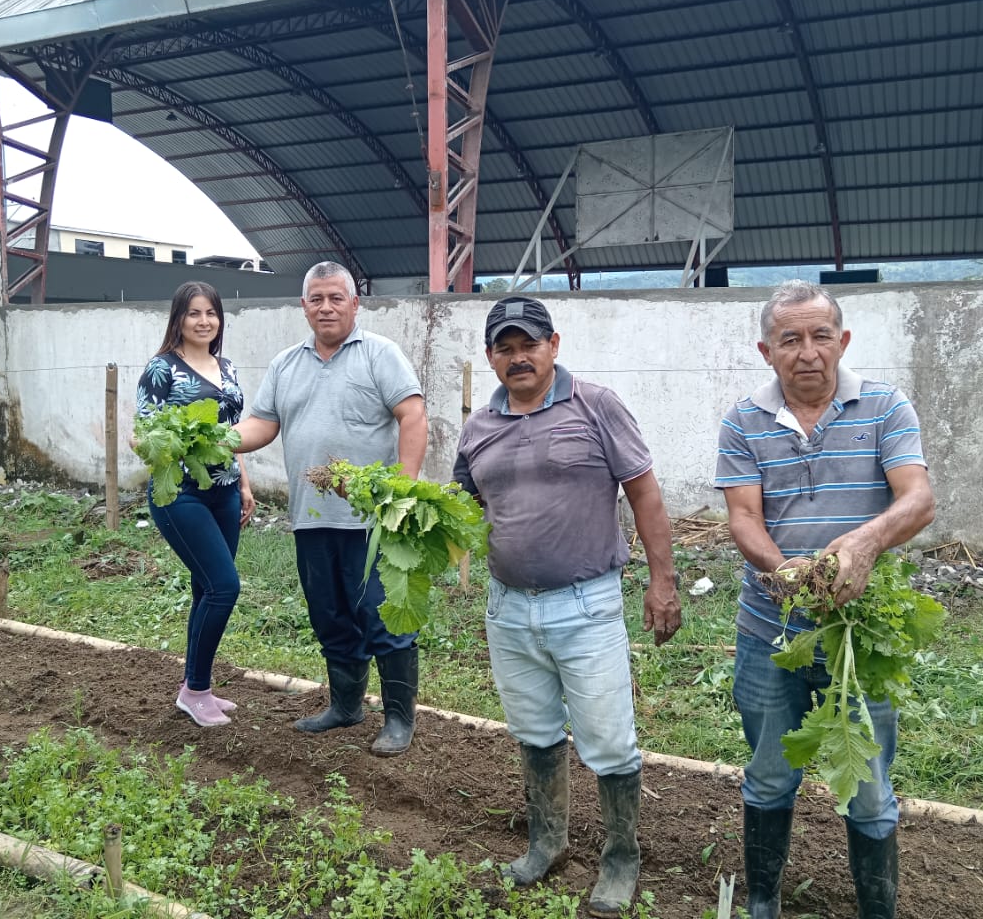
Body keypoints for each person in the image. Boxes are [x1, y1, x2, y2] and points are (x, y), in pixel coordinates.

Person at [453, 296, 681, 919]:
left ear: (554, 345)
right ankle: (547, 842)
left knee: (608, 740)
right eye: (505, 348)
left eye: (529, 344)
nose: (518, 357)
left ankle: (621, 856)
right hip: (508, 607)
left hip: (587, 605)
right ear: (491, 357)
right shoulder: (478, 428)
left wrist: (662, 581)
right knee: (533, 730)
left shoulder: (596, 405)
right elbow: (461, 506)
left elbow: (644, 494)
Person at [714, 280, 935, 919]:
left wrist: (865, 542)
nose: (807, 352)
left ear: (843, 341)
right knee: (769, 773)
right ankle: (763, 901)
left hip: (857, 640)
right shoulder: (743, 421)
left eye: (820, 336)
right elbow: (743, 518)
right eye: (790, 339)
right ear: (767, 351)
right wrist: (783, 570)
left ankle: (876, 909)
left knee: (867, 786)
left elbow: (918, 498)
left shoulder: (885, 407)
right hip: (770, 632)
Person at [234, 261, 428, 757]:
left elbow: (412, 415)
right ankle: (346, 705)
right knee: (330, 614)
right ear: (303, 306)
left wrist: (402, 491)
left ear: (354, 304)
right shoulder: (285, 364)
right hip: (312, 519)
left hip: (372, 523)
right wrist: (213, 439)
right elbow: (261, 424)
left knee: (382, 616)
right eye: (316, 299)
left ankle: (399, 718)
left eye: (336, 298)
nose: (326, 307)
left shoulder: (380, 354)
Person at [136, 280, 255, 728]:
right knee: (224, 587)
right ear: (178, 319)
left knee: (206, 589)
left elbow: (233, 430)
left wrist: (244, 484)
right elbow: (143, 434)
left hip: (225, 491)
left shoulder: (228, 367)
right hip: (180, 493)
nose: (204, 321)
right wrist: (177, 443)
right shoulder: (161, 368)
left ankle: (195, 683)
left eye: (211, 313)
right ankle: (195, 691)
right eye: (194, 313)